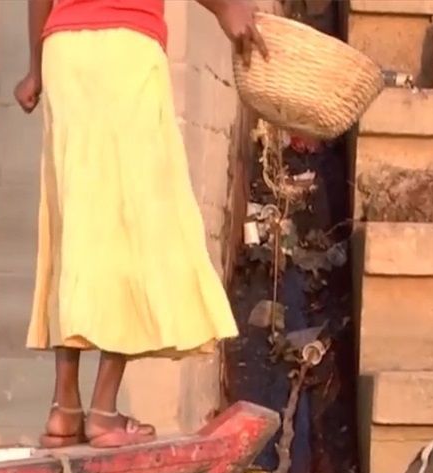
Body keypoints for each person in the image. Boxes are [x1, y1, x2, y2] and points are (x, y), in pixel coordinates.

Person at [13, 0, 267, 448]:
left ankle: (64, 407)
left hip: (64, 52)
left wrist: (35, 66)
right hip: (125, 49)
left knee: (74, 223)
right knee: (136, 224)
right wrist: (226, 8)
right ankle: (105, 412)